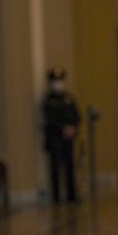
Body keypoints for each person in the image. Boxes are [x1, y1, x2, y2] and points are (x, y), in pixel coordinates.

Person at [42, 67, 81, 203]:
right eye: (55, 81)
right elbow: (50, 118)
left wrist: (72, 128)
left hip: (68, 138)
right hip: (55, 138)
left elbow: (76, 116)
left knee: (70, 166)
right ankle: (56, 196)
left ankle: (71, 194)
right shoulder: (49, 100)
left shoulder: (68, 98)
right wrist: (63, 128)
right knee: (55, 167)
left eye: (60, 81)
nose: (58, 84)